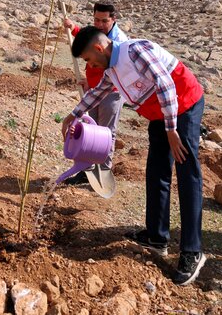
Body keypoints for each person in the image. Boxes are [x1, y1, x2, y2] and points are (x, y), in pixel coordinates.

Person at [61, 26, 205, 285]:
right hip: (160, 115)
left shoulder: (134, 50)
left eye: (88, 59)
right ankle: (157, 236)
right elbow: (99, 92)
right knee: (157, 171)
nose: (89, 65)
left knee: (187, 174)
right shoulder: (111, 69)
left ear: (98, 48)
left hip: (182, 106)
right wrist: (73, 114)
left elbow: (165, 84)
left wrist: (172, 129)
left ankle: (192, 251)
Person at [62, 3, 128, 182]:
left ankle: (103, 171)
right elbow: (88, 38)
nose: (99, 24)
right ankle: (87, 168)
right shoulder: (97, 34)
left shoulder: (119, 41)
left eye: (104, 21)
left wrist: (94, 83)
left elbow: (112, 73)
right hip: (93, 90)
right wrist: (73, 28)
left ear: (113, 19)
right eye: (96, 20)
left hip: (111, 92)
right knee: (90, 130)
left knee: (106, 132)